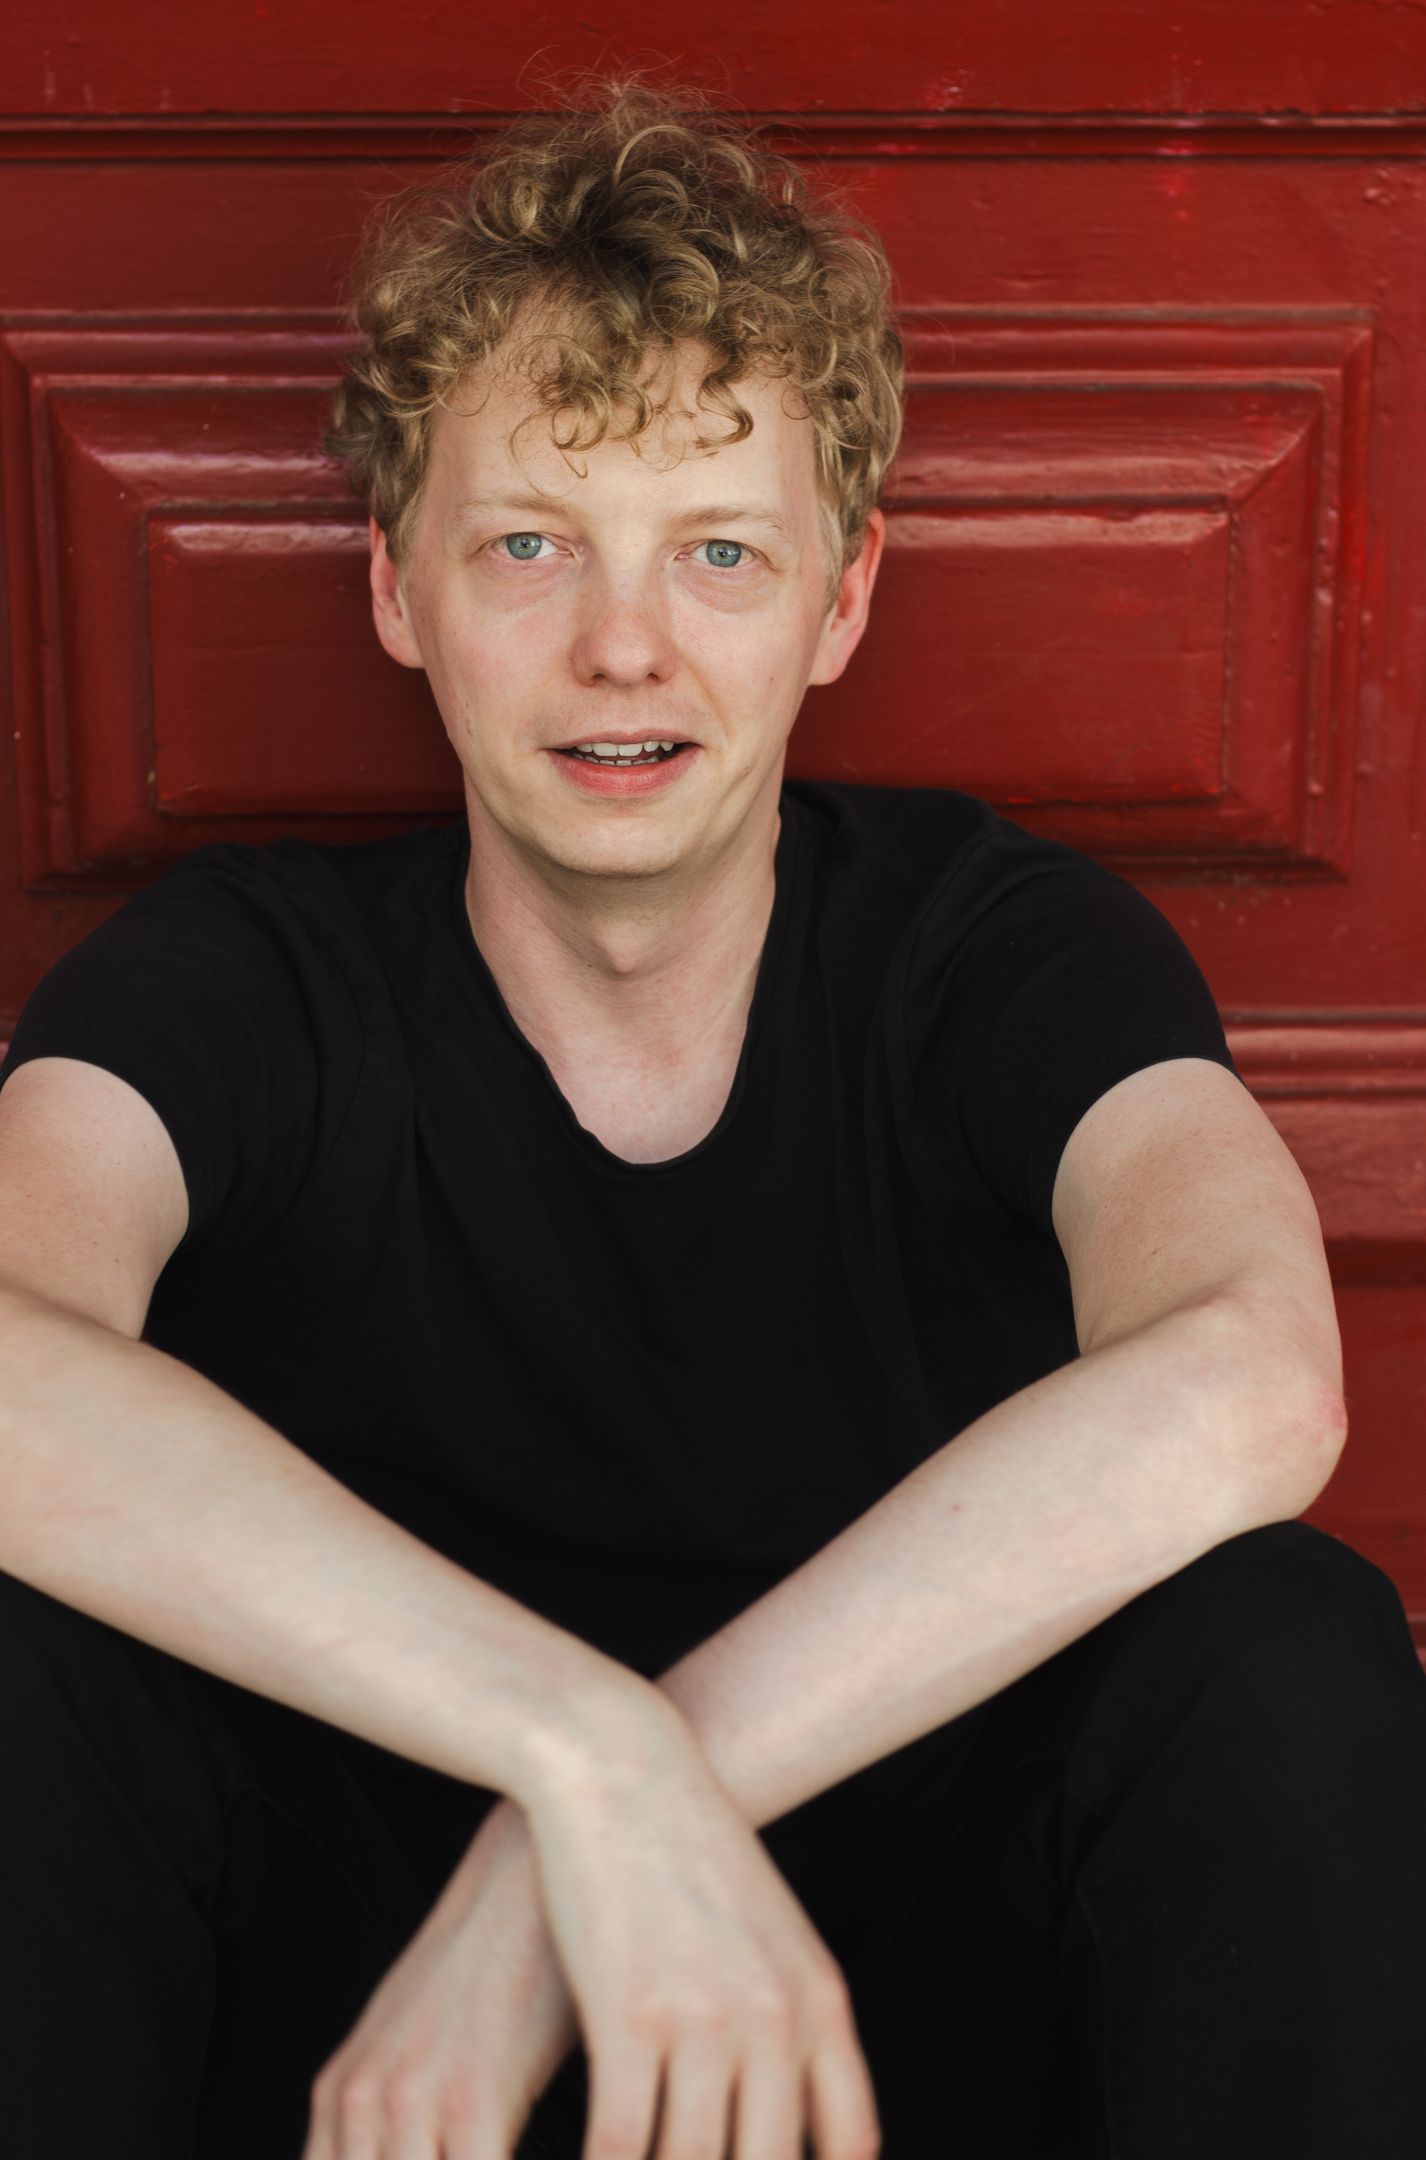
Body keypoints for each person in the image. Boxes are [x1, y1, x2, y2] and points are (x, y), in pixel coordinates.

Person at [1, 68, 1424, 2160]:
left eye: (718, 551)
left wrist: (588, 1850)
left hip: (900, 2012)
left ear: (838, 601)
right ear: (395, 588)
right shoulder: (243, 974)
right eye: (527, 544)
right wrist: (579, 1762)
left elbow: (1254, 1379)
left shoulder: (990, 946)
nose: (621, 646)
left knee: (1279, 1648)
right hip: (361, 2051)